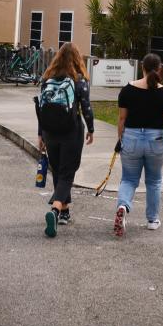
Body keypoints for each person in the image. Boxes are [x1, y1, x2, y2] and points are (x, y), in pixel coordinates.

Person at [113, 53, 163, 237]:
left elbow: (122, 119)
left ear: (141, 67)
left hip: (131, 138)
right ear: (159, 69)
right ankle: (152, 220)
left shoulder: (127, 90)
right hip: (155, 140)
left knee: (128, 179)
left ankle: (123, 206)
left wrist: (121, 139)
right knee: (154, 181)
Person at [36, 42, 94, 238]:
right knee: (68, 173)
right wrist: (91, 129)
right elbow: (86, 107)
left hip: (50, 132)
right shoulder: (79, 80)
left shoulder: (47, 78)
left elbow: (41, 108)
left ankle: (64, 212)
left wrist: (41, 134)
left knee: (58, 171)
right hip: (71, 131)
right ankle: (55, 209)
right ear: (77, 58)